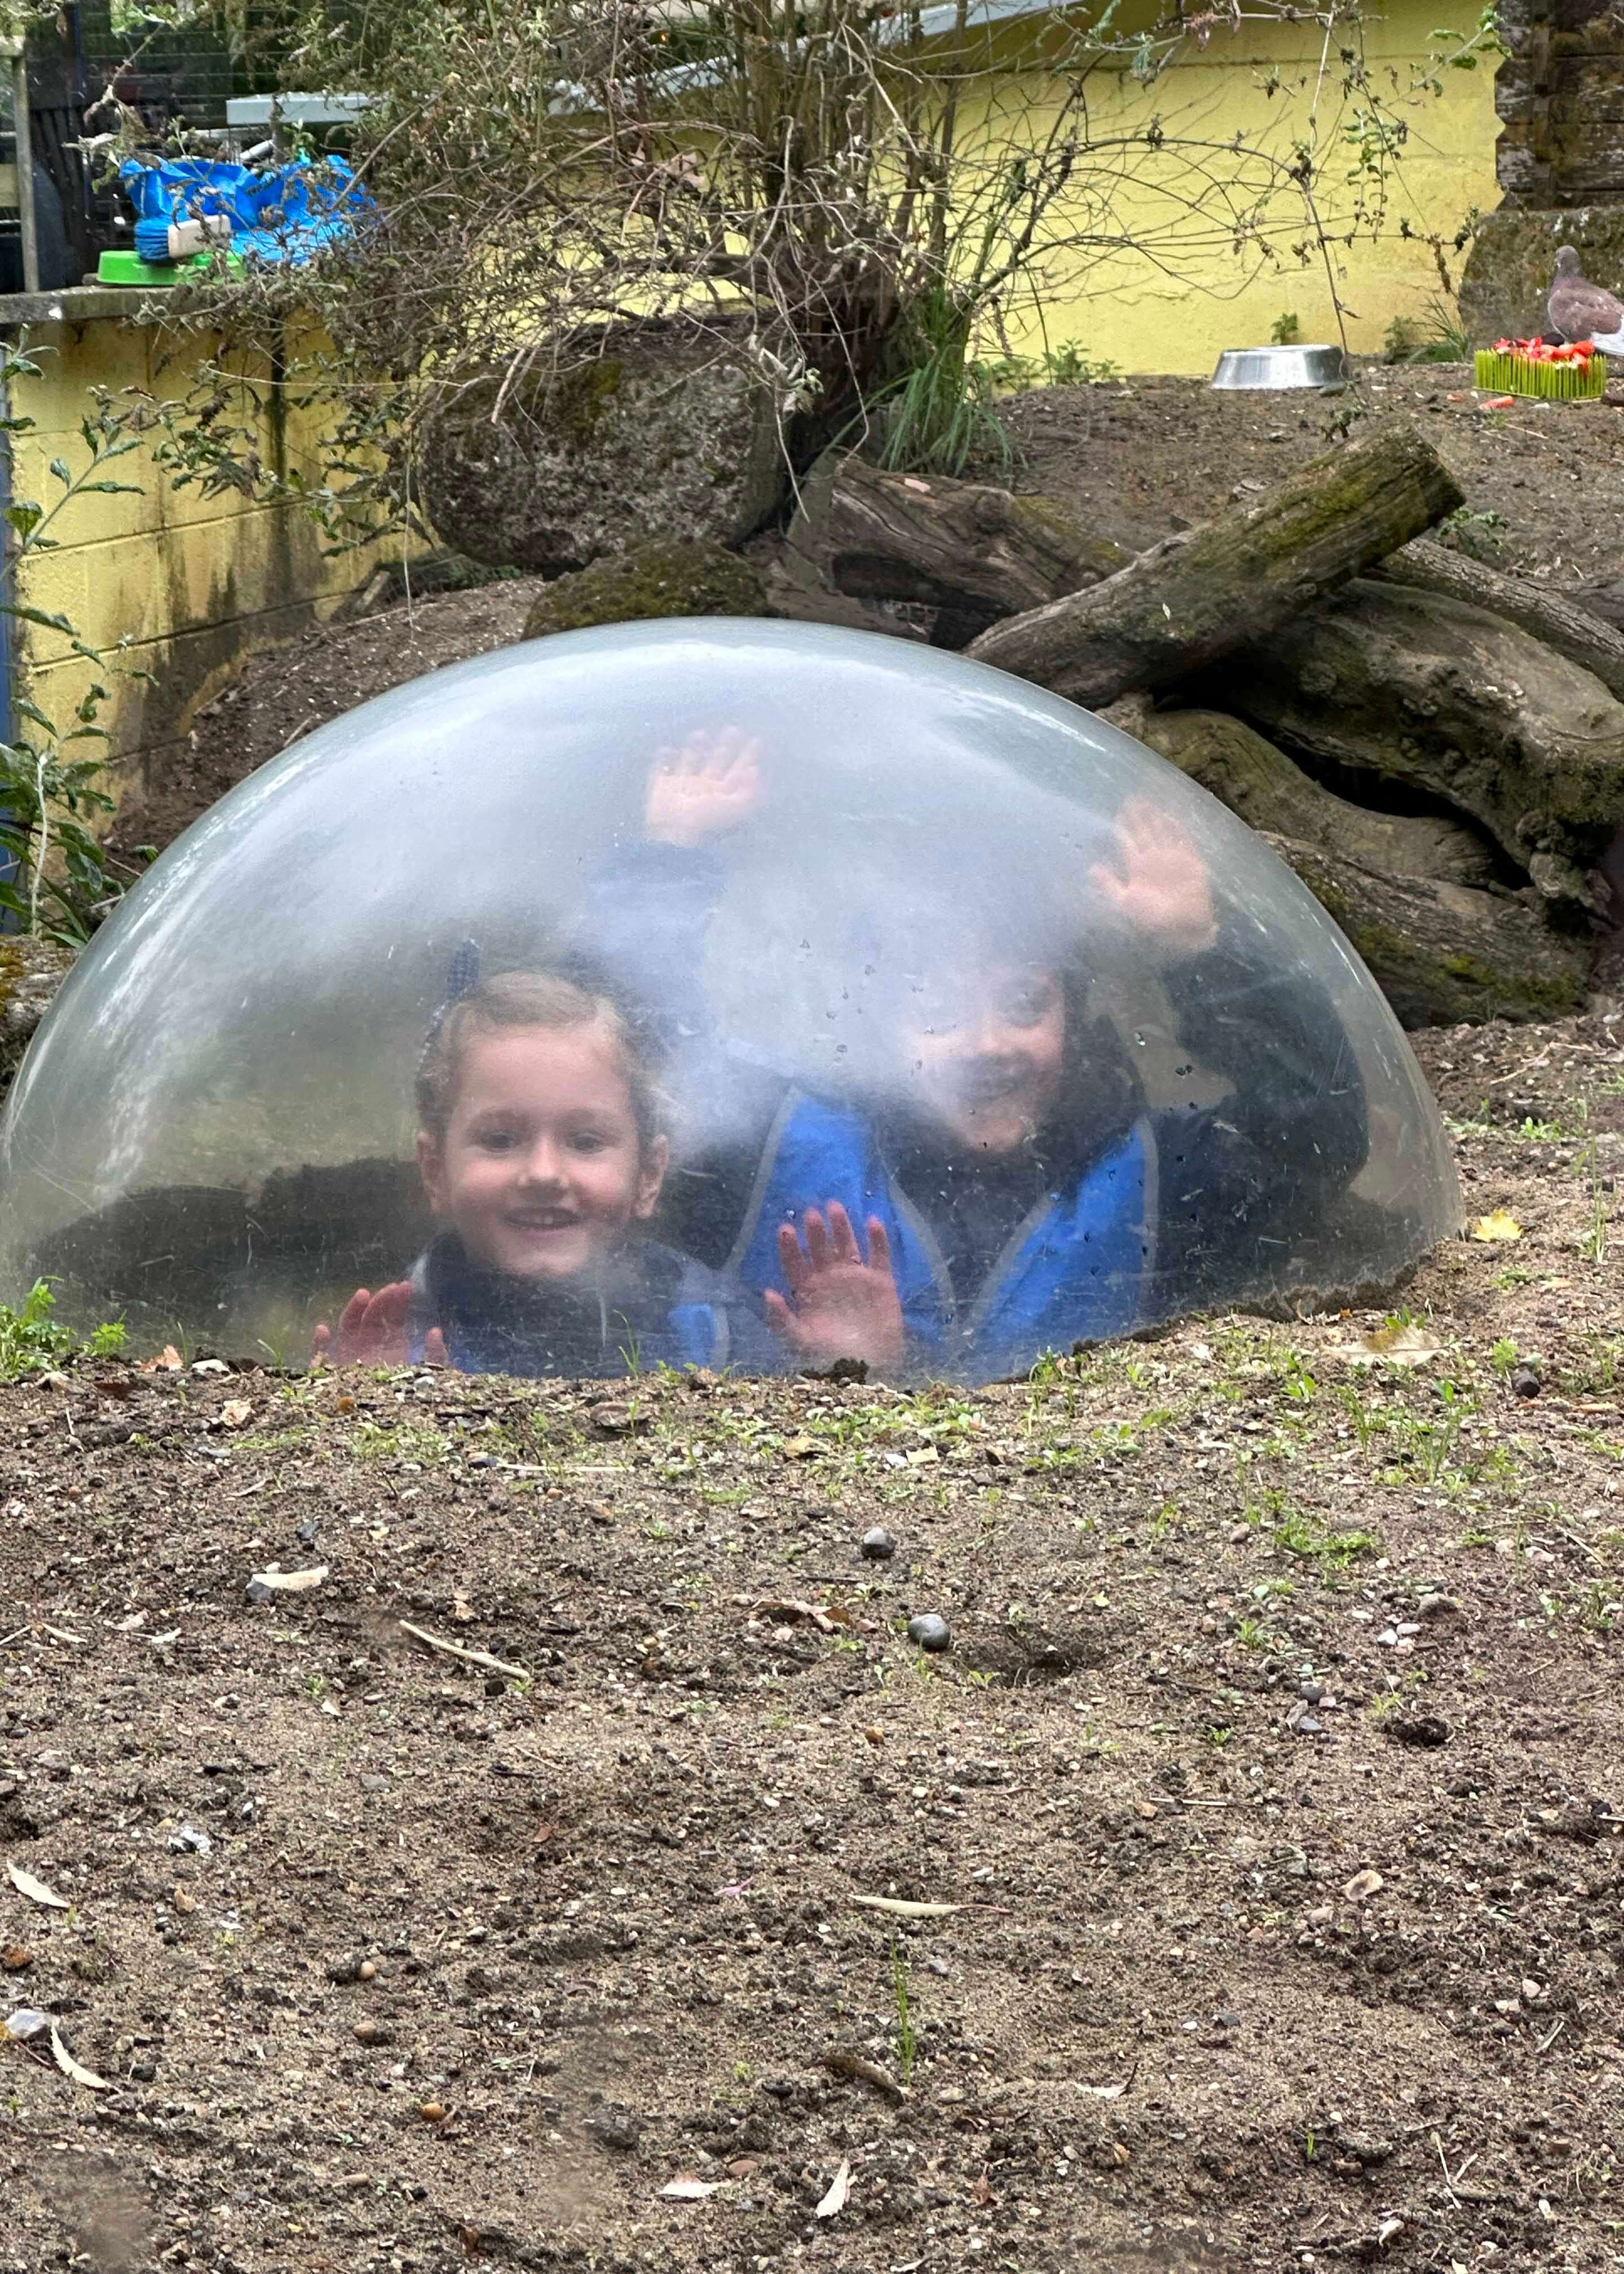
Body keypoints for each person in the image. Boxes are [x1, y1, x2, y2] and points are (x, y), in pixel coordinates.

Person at [586, 732, 1370, 1381]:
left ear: (1075, 1015)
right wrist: (669, 858)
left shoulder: (1156, 1171)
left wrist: (1201, 952)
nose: (985, 1043)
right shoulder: (779, 1151)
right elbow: (633, 1063)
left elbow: (1318, 1136)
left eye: (1025, 1005)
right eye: (935, 1012)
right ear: (876, 1030)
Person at [313, 959, 904, 1376]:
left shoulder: (718, 1335)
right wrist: (362, 1417)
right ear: (435, 1169)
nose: (544, 1172)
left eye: (586, 1141)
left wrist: (854, 1369)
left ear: (649, 1174)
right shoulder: (393, 1341)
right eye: (500, 1139)